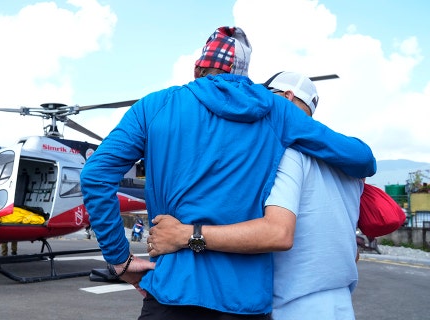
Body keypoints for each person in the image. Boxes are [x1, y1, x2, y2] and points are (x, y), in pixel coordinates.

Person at [80, 26, 376, 319]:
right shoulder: (276, 110)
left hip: (173, 291)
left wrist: (120, 259)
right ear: (244, 75)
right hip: (245, 302)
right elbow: (362, 159)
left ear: (198, 69)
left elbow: (95, 177)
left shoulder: (155, 106)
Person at [146, 71, 363, 319]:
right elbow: (351, 251)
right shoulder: (350, 168)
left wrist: (186, 234)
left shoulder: (287, 154)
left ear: (287, 99)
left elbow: (278, 233)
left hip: (294, 305)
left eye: (267, 99)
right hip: (341, 303)